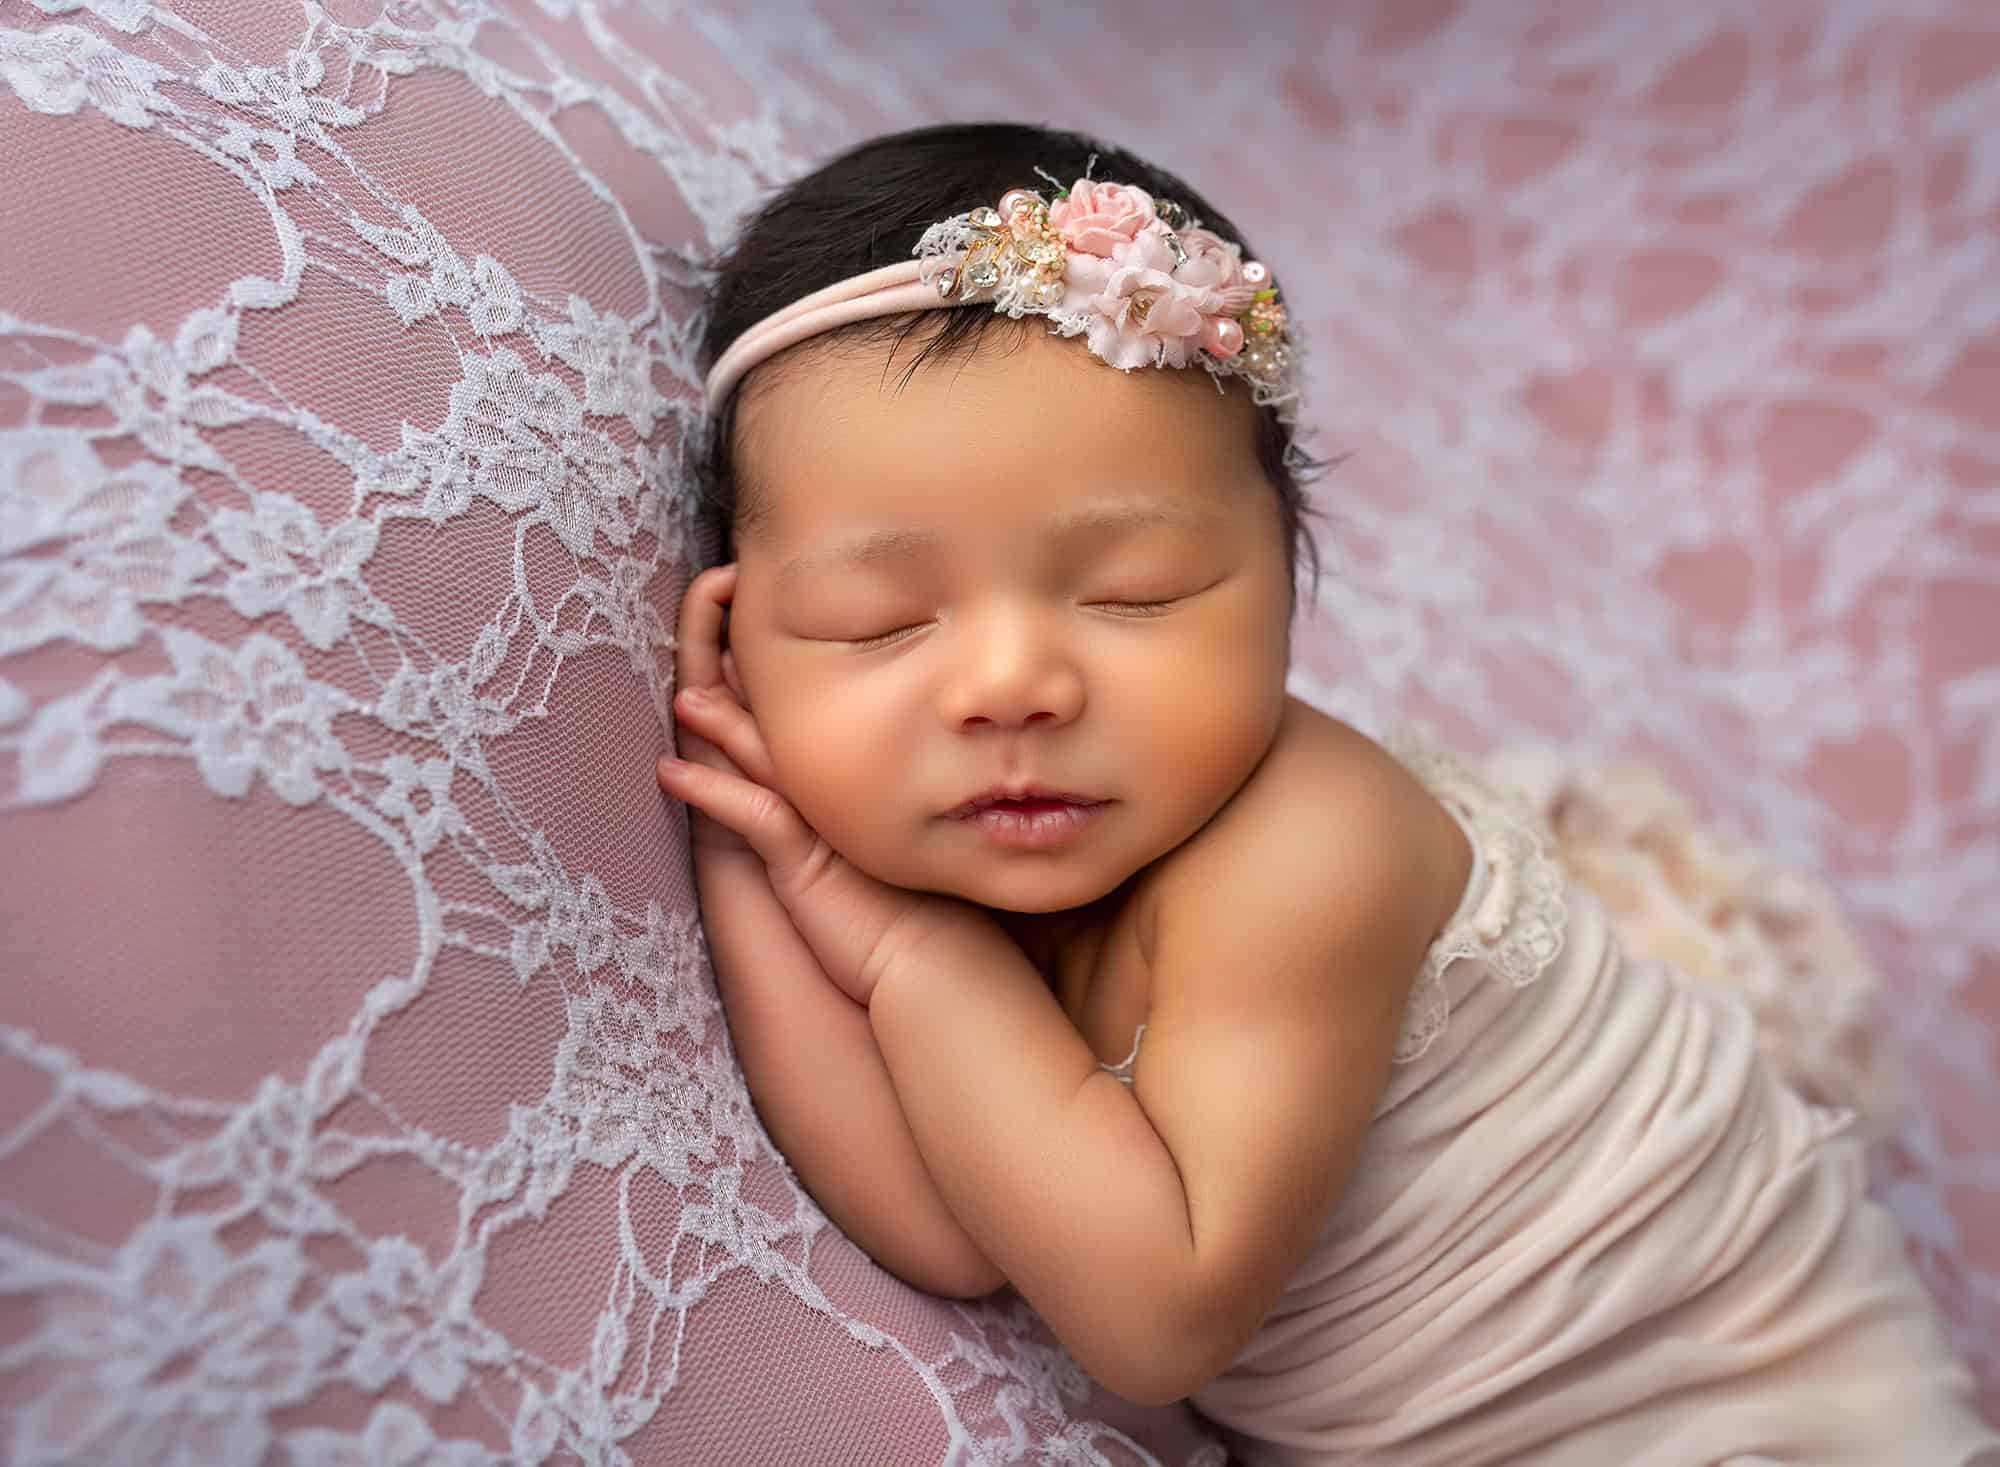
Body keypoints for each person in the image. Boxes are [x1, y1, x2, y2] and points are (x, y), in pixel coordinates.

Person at [657, 121, 1999, 1465]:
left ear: (1288, 589)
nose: (1013, 686)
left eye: (1137, 595)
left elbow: (1152, 1317)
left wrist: (898, 949)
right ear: (748, 632)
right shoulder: (994, 851)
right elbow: (967, 1228)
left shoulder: (1307, 851)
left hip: (1721, 1415)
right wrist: (747, 846)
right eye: (877, 620)